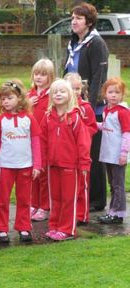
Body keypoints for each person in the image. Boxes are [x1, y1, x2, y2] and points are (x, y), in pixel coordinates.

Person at [64, 2, 109, 212]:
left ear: (89, 22)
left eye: (79, 18)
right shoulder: (73, 43)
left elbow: (98, 78)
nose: (74, 21)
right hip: (72, 105)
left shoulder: (96, 43)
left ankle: (97, 200)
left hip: (91, 108)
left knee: (93, 153)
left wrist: (88, 109)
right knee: (79, 153)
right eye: (73, 17)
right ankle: (81, 195)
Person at [40, 79, 91, 241]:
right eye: (55, 92)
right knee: (55, 198)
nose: (58, 94)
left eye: (62, 91)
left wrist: (84, 163)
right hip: (52, 165)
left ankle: (67, 229)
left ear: (70, 95)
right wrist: (41, 162)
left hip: (71, 166)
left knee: (69, 198)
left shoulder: (74, 117)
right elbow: (42, 141)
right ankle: (54, 225)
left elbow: (83, 142)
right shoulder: (48, 117)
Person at [0, 80, 41, 244]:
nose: (5, 101)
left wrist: (37, 164)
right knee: (2, 199)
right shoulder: (0, 120)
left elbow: (35, 142)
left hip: (25, 165)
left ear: (19, 98)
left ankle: (24, 226)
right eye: (2, 98)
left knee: (25, 198)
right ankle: (1, 228)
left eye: (9, 97)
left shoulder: (29, 119)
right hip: (5, 166)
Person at [64, 73, 98, 225]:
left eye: (78, 88)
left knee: (82, 184)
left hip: (82, 152)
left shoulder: (85, 107)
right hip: (66, 153)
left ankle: (82, 214)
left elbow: (93, 127)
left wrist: (82, 133)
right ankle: (68, 213)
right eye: (72, 88)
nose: (76, 91)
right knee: (68, 187)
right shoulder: (60, 107)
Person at [97, 78, 130, 224]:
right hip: (108, 153)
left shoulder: (122, 112)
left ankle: (118, 214)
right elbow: (106, 127)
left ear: (122, 94)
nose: (114, 95)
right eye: (110, 92)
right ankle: (112, 211)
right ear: (105, 93)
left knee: (118, 185)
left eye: (117, 92)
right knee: (112, 183)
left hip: (117, 155)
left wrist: (124, 153)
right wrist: (92, 124)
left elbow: (126, 133)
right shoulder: (107, 110)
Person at [27, 58, 55, 222]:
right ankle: (33, 203)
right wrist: (27, 104)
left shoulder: (52, 94)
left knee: (43, 174)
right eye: (36, 73)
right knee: (32, 174)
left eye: (43, 75)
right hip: (29, 141)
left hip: (45, 141)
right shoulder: (29, 95)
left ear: (50, 77)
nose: (39, 77)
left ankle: (44, 206)